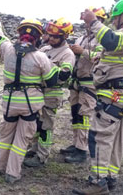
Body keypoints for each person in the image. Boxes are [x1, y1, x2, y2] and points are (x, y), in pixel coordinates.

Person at [72, 0, 123, 194]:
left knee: (99, 136)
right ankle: (110, 178)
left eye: (115, 18)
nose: (113, 22)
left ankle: (97, 183)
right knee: (115, 138)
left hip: (115, 93)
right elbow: (104, 52)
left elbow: (110, 40)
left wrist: (93, 22)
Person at [0, 13, 59, 184]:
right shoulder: (41, 57)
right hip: (29, 106)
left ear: (19, 33)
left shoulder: (6, 49)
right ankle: (12, 174)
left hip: (9, 103)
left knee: (4, 136)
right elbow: (52, 81)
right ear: (38, 37)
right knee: (21, 140)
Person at [23, 17, 75, 168]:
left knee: (46, 125)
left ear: (64, 36)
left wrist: (46, 65)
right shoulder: (45, 49)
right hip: (37, 92)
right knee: (36, 123)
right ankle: (34, 149)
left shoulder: (67, 54)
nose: (50, 38)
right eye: (49, 35)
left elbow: (64, 74)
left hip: (51, 94)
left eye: (55, 36)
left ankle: (42, 156)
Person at [60, 7, 107, 164]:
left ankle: (82, 150)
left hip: (89, 84)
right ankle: (76, 144)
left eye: (88, 21)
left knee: (85, 116)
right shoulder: (81, 38)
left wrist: (83, 52)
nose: (86, 24)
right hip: (77, 83)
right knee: (76, 114)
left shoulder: (102, 39)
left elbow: (100, 58)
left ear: (99, 20)